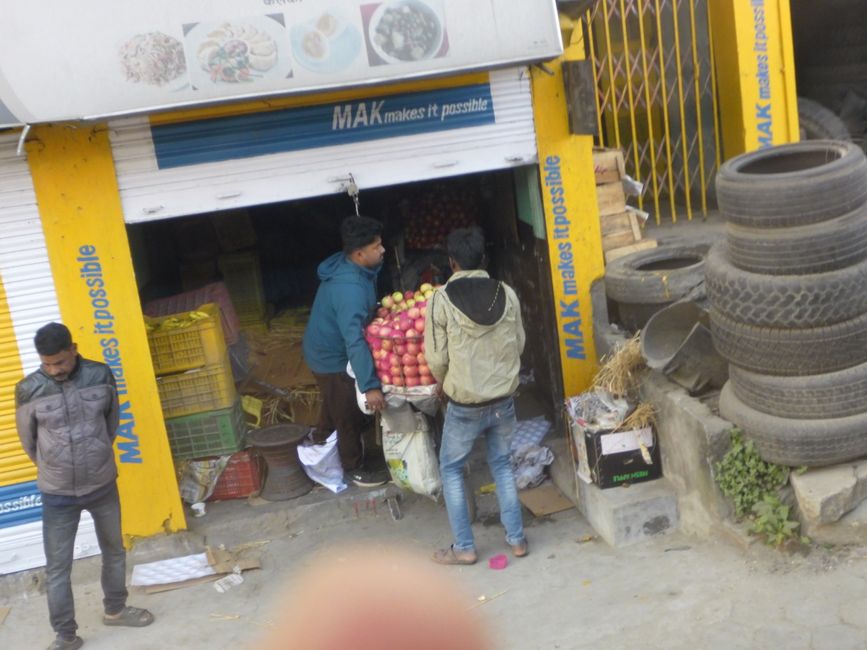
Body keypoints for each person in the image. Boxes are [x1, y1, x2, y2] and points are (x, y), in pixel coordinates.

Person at [15, 323, 154, 650]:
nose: (54, 370)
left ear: (74, 349)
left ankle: (116, 610)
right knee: (58, 568)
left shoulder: (100, 375)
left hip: (102, 483)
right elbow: (29, 441)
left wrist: (95, 455)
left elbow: (111, 422)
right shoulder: (28, 389)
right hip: (58, 493)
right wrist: (56, 465)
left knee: (114, 550)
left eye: (60, 362)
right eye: (47, 364)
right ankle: (66, 635)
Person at [424, 226, 528, 565]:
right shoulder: (506, 293)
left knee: (451, 468)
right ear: (483, 258)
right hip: (503, 400)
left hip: (465, 404)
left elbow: (437, 358)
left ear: (451, 262)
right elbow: (520, 343)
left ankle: (465, 548)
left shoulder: (440, 299)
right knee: (501, 463)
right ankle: (517, 540)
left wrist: (445, 384)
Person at [303, 215, 389, 488]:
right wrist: (370, 386)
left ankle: (318, 445)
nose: (383, 250)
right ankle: (354, 468)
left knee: (334, 404)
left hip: (329, 346)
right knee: (348, 413)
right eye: (377, 247)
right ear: (359, 253)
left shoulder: (356, 268)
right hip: (330, 357)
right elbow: (353, 341)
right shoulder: (348, 288)